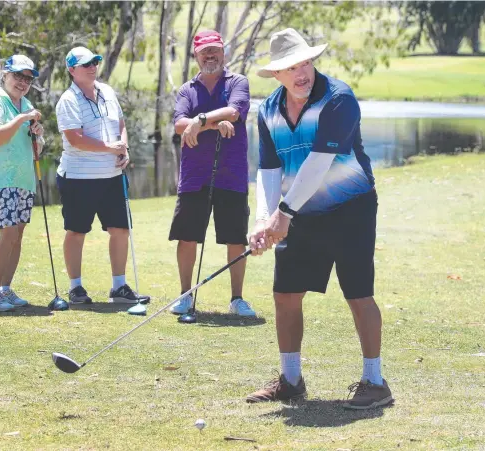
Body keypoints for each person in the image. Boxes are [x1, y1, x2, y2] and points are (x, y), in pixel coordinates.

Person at [246, 29, 394, 409]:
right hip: (300, 212)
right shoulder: (266, 112)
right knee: (285, 294)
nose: (302, 73)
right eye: (292, 67)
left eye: (306, 63)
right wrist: (263, 220)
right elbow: (269, 169)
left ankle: (375, 383)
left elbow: (318, 164)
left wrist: (283, 214)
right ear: (276, 75)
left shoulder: (338, 99)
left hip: (351, 208)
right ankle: (291, 380)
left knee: (359, 293)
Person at [169, 30, 255, 317]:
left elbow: (234, 111)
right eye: (204, 51)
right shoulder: (186, 89)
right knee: (187, 236)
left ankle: (237, 299)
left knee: (235, 238)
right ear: (196, 56)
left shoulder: (238, 82)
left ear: (223, 53)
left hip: (231, 174)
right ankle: (185, 295)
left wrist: (202, 119)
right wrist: (210, 126)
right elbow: (180, 124)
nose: (210, 56)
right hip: (195, 175)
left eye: (215, 50)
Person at [55, 46, 150, 305]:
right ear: (72, 70)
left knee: (120, 229)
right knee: (76, 231)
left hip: (112, 175)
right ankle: (76, 288)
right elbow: (75, 139)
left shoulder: (107, 92)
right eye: (86, 64)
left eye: (95, 62)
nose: (93, 67)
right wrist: (110, 147)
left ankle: (119, 287)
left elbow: (120, 124)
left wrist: (124, 148)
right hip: (78, 177)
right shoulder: (68, 100)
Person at [0, 55, 44, 312]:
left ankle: (6, 289)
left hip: (23, 179)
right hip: (0, 178)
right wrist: (21, 119)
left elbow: (35, 145)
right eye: (18, 76)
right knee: (7, 235)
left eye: (28, 79)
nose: (23, 82)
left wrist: (37, 135)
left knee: (17, 236)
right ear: (5, 74)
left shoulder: (26, 104)